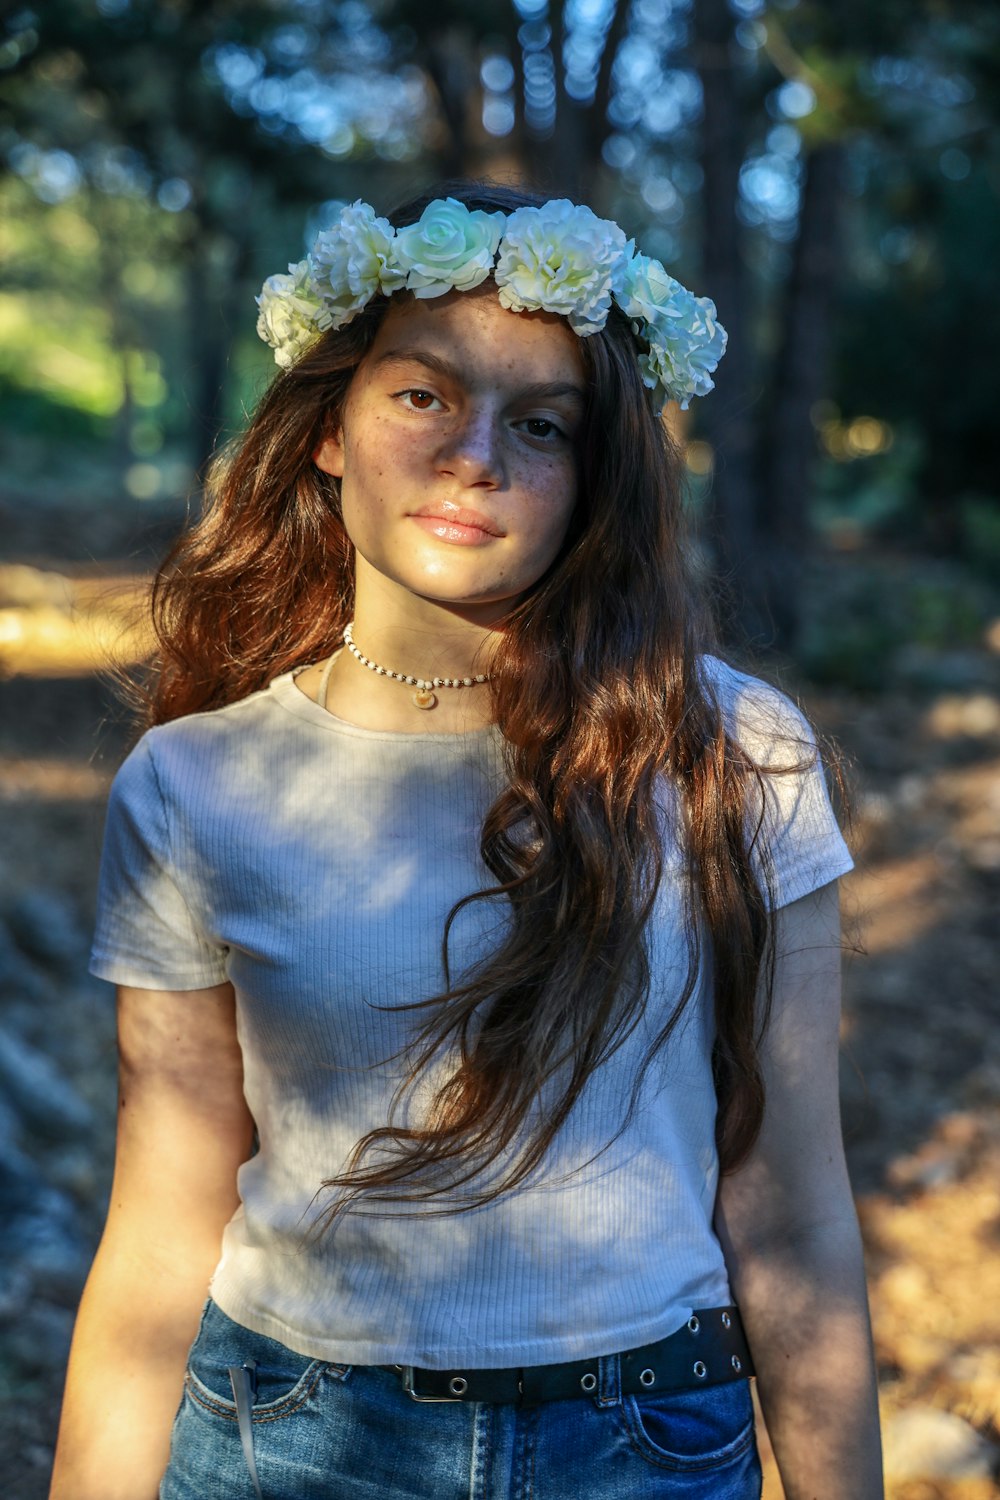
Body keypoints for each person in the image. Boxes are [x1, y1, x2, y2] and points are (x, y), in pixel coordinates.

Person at [50, 183, 883, 1499]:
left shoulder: (734, 752)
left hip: (646, 1444)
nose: (473, 457)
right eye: (424, 396)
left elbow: (789, 1206)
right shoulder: (198, 783)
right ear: (330, 429)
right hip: (293, 1442)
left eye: (539, 424)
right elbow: (159, 1225)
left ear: (593, 475)